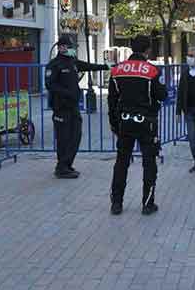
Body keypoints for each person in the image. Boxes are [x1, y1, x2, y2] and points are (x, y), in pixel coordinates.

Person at [108, 36, 167, 215]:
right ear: (147, 50)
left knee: (121, 163)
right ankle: (147, 204)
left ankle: (116, 204)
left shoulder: (117, 70)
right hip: (146, 123)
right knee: (149, 163)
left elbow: (112, 100)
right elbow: (161, 95)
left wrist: (114, 124)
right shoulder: (151, 71)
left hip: (124, 122)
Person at [45, 35, 109, 179]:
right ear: (61, 47)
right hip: (61, 107)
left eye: (72, 47)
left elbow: (88, 66)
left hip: (73, 107)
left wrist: (106, 66)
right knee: (63, 138)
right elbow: (50, 84)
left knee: (76, 136)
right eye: (69, 47)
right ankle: (61, 168)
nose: (72, 50)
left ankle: (67, 164)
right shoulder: (54, 65)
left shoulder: (72, 62)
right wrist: (67, 93)